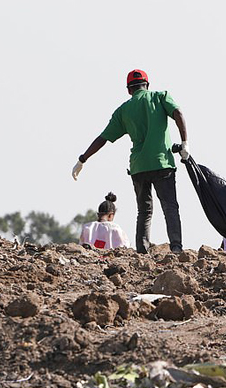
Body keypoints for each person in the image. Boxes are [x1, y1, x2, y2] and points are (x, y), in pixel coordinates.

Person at [72, 69, 189, 254]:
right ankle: (176, 248)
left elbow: (103, 138)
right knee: (170, 207)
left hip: (139, 167)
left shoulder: (123, 111)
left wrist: (82, 159)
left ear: (129, 90)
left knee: (144, 211)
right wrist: (184, 143)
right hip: (162, 164)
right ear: (147, 85)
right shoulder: (160, 97)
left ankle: (142, 250)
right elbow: (178, 114)